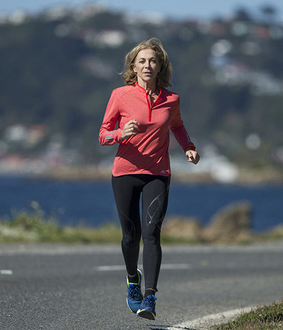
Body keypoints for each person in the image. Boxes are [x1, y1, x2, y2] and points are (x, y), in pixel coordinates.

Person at [98, 38, 200, 320]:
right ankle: (133, 281)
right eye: (142, 61)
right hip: (125, 172)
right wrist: (121, 133)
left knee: (152, 233)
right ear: (133, 66)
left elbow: (177, 126)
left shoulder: (172, 99)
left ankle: (150, 297)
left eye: (153, 61)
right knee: (131, 237)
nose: (147, 65)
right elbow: (103, 135)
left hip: (158, 173)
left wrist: (188, 147)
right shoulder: (120, 95)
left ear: (160, 66)